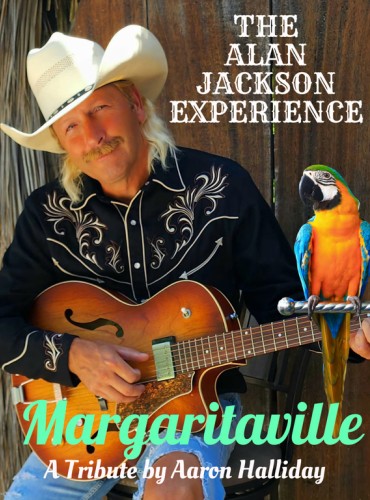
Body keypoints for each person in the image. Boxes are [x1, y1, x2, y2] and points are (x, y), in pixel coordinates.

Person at [0, 24, 368, 500]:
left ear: (134, 103)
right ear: (61, 141)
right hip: (83, 424)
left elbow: (283, 301)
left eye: (99, 110)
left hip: (199, 406)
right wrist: (73, 355)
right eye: (71, 125)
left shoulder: (220, 186)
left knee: (175, 486)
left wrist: (350, 337)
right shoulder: (47, 215)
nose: (92, 135)